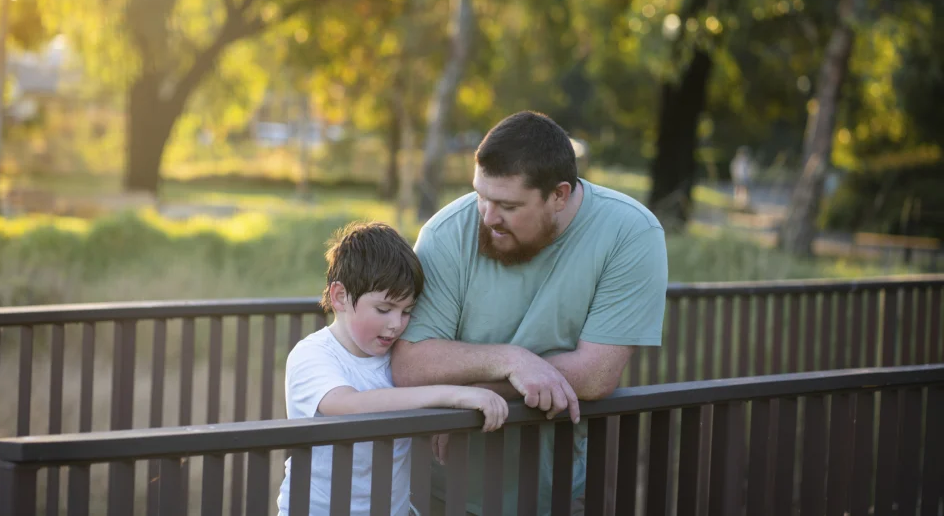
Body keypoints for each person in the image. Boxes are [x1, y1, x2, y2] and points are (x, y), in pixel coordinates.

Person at [392, 111, 668, 515]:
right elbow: (410, 365)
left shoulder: (631, 233)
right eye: (481, 196)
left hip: (559, 489)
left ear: (558, 195)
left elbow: (595, 374)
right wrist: (510, 361)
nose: (486, 217)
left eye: (507, 205)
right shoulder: (447, 232)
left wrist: (474, 391)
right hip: (442, 491)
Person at [276, 222, 509, 516]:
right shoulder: (314, 354)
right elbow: (347, 405)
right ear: (340, 297)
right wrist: (453, 395)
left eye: (407, 311)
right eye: (384, 309)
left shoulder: (397, 358)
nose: (396, 324)